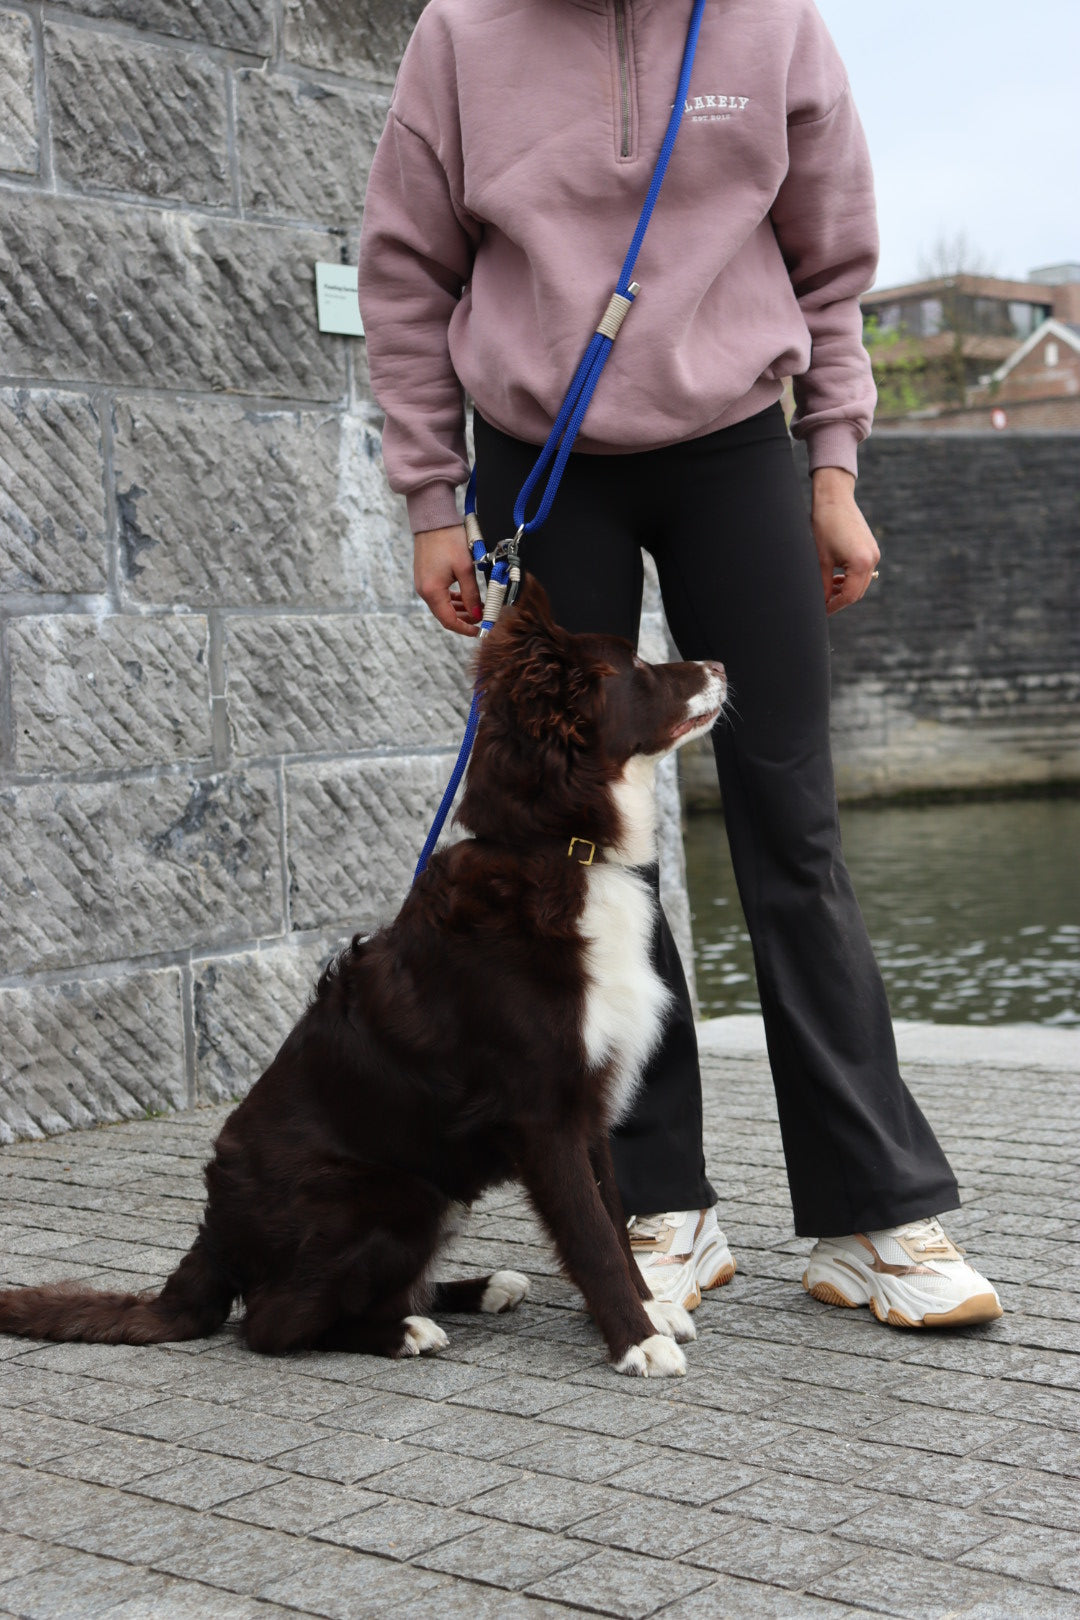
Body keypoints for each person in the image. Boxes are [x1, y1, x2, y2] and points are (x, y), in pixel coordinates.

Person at [357, 0, 1002, 1329]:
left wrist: (833, 469)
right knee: (582, 850)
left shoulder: (772, 25)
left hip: (735, 448)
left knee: (793, 824)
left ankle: (873, 1213)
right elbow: (407, 271)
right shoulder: (461, 34)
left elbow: (829, 264)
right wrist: (431, 500)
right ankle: (661, 1204)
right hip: (543, 462)